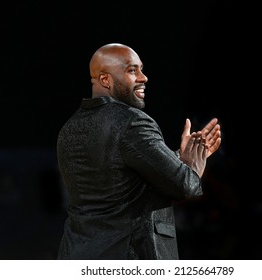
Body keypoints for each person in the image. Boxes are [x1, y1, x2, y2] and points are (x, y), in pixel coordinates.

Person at [56, 43, 222, 260]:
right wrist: (194, 163)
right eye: (132, 70)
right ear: (105, 80)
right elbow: (185, 185)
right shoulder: (133, 123)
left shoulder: (70, 128)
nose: (144, 77)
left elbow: (124, 177)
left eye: (141, 69)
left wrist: (177, 158)